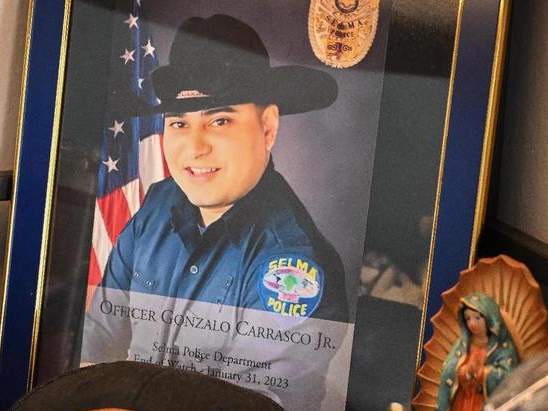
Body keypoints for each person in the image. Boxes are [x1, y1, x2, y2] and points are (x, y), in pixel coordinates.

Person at [83, 14, 351, 376]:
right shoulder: (157, 206)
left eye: (219, 120)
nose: (195, 148)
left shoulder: (293, 266)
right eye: (179, 123)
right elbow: (96, 344)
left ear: (268, 128)